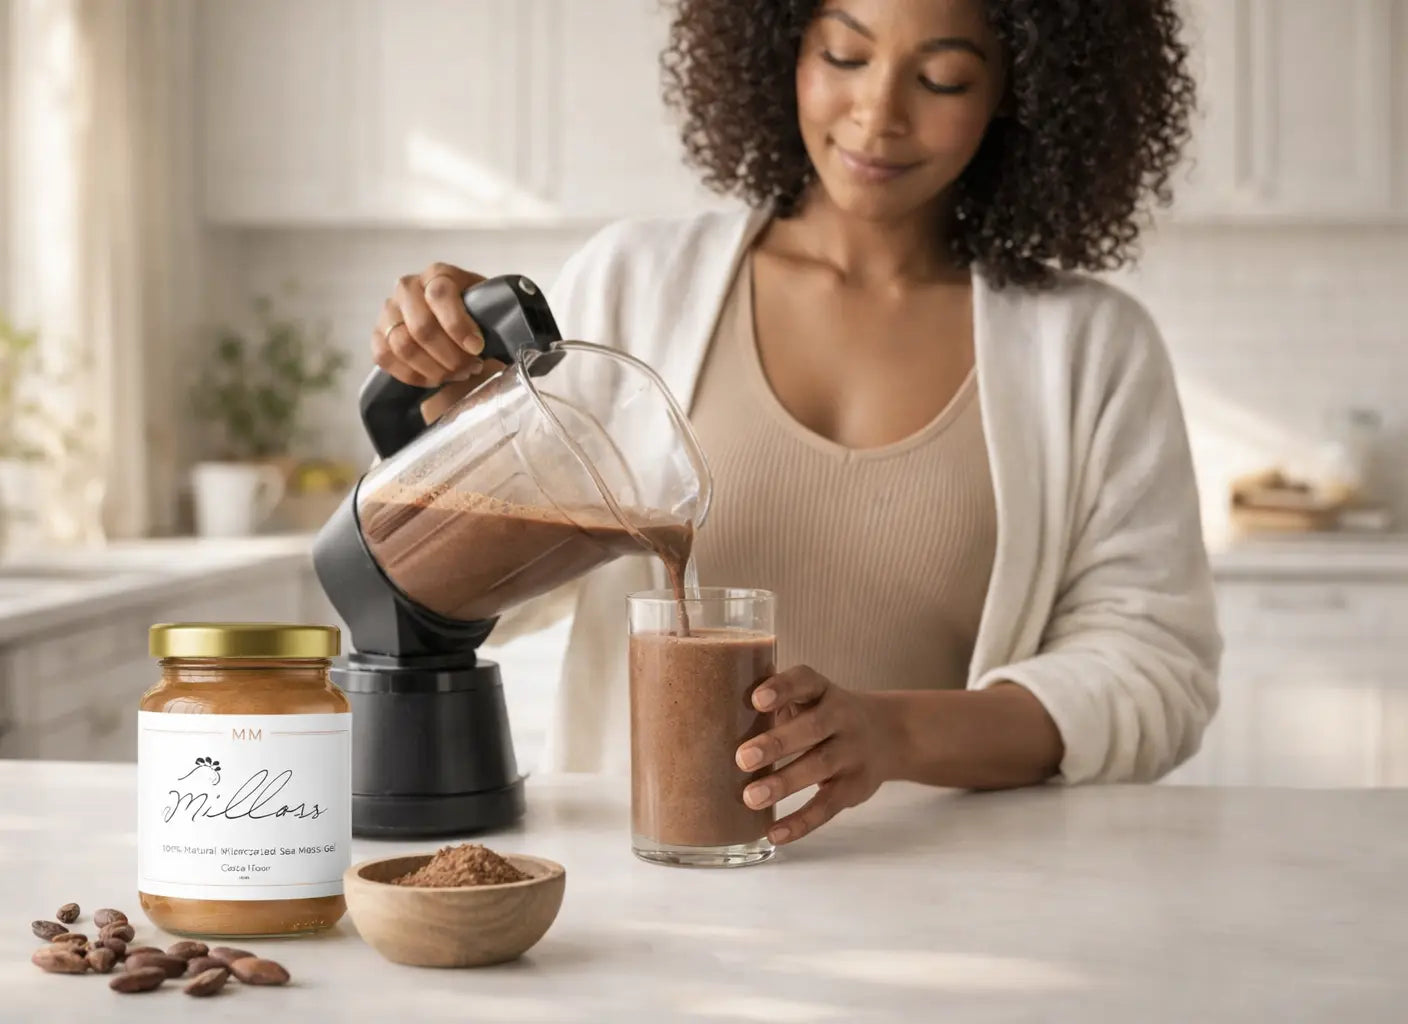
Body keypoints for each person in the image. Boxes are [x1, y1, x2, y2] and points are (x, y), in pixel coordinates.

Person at [368, 0, 1221, 846]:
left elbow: (1153, 671)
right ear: (781, 47)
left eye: (942, 77)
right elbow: (495, 605)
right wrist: (462, 412)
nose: (877, 114)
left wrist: (896, 735)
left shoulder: (1090, 348)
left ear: (1022, 89)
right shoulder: (635, 284)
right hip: (650, 886)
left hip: (960, 887)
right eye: (846, 56)